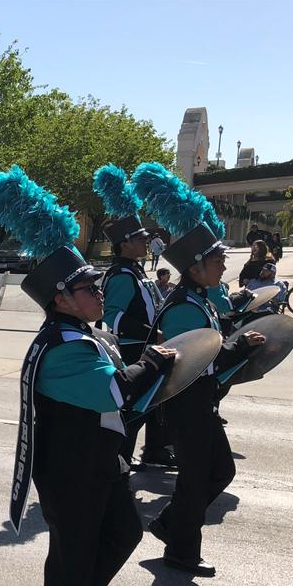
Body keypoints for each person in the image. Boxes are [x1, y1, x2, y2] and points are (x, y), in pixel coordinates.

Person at [0, 165, 175, 586]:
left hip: (96, 459)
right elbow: (116, 392)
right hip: (72, 468)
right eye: (89, 288)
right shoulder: (65, 348)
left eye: (95, 286)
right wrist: (152, 360)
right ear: (61, 298)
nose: (99, 294)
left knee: (122, 533)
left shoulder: (82, 336)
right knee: (73, 552)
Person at [131, 161, 266, 579]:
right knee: (198, 478)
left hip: (200, 403)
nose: (224, 265)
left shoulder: (200, 301)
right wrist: (238, 346)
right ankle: (181, 551)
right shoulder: (184, 307)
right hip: (187, 405)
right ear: (194, 268)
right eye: (218, 260)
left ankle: (171, 525)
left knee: (217, 471)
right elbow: (197, 363)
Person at [94, 163, 173, 469]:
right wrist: (152, 334)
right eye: (140, 238)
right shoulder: (122, 274)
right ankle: (116, 463)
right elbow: (113, 318)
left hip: (144, 346)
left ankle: (149, 450)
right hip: (130, 352)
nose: (146, 241)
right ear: (125, 243)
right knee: (131, 413)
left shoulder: (135, 269)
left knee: (148, 408)